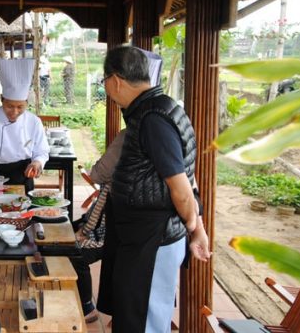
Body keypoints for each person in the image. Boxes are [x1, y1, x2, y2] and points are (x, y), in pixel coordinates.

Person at [96, 46, 210, 332]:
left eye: (104, 80)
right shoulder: (151, 110)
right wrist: (197, 228)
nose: (106, 87)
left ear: (116, 80)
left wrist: (196, 229)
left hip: (153, 237)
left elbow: (182, 188)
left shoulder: (153, 119)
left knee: (144, 320)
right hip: (142, 236)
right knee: (133, 314)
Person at [71, 129, 125, 324]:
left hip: (112, 231)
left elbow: (97, 174)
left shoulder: (128, 136)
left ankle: (87, 307)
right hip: (113, 225)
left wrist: (85, 232)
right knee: (65, 231)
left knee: (76, 254)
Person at [0, 58, 50, 193]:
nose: (14, 112)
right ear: (2, 99)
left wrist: (37, 163)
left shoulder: (34, 122)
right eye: (9, 106)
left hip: (23, 176)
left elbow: (42, 151)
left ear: (27, 102)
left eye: (20, 107)